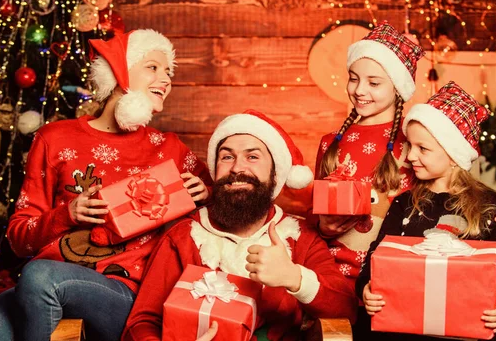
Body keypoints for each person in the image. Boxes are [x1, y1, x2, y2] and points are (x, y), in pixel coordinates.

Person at [0, 29, 213, 341]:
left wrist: (207, 193)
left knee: (40, 276)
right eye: (153, 67)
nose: (166, 80)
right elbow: (19, 239)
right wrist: (66, 214)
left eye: (168, 72)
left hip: (125, 292)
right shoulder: (54, 139)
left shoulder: (170, 149)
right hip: (44, 283)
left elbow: (227, 207)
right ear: (119, 71)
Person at [312, 22, 496, 338]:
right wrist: (328, 232)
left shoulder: (416, 145)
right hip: (366, 293)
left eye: (374, 81)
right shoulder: (341, 148)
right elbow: (376, 251)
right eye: (354, 79)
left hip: (442, 307)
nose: (360, 89)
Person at [123, 110, 357, 341]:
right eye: (227, 157)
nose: (237, 168)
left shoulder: (300, 236)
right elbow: (142, 323)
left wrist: (295, 277)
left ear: (276, 172)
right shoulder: (183, 236)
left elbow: (346, 309)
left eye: (252, 157)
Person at [356, 81, 496, 340]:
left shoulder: (488, 204)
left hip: (465, 330)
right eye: (410, 146)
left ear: (453, 154)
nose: (410, 156)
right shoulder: (404, 203)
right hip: (403, 328)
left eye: (422, 148)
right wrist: (365, 287)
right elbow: (378, 254)